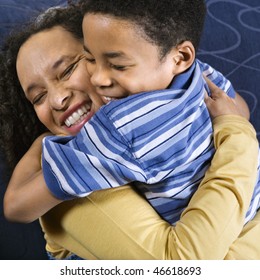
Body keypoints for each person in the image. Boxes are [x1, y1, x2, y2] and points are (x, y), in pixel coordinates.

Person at [2, 4, 260, 260]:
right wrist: (236, 133)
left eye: (70, 69)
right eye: (38, 97)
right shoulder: (192, 77)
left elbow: (15, 205)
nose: (58, 99)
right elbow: (237, 111)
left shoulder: (118, 130)